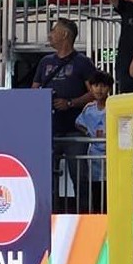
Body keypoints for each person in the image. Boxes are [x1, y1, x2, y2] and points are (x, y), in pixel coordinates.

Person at [31, 18, 96, 210]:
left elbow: (95, 92)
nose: (50, 35)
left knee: (79, 176)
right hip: (48, 130)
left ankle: (85, 215)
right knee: (45, 177)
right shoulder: (45, 62)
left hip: (74, 130)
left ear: (65, 34)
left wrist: (70, 103)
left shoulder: (83, 62)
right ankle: (49, 215)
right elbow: (33, 90)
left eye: (53, 31)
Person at [75, 70, 112, 214]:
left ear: (109, 88)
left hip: (111, 155)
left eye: (103, 86)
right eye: (96, 86)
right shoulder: (88, 109)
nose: (99, 89)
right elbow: (78, 123)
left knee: (111, 190)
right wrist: (88, 133)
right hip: (94, 157)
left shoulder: (114, 106)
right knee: (96, 191)